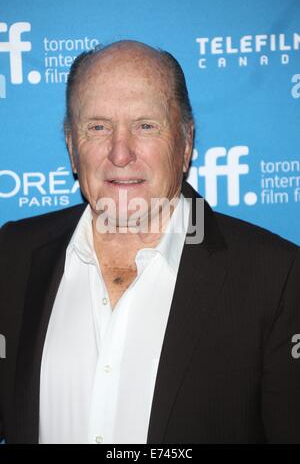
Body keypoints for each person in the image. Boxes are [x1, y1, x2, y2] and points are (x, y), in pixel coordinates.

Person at [0, 40, 300, 445]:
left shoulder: (274, 277)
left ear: (186, 143)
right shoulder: (12, 257)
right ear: (72, 147)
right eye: (98, 127)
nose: (120, 153)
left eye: (146, 125)